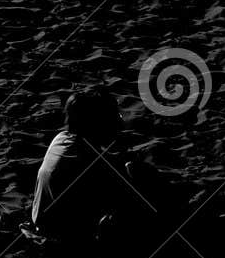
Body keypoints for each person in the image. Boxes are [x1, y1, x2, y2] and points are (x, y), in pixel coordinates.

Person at [31, 88, 187, 247]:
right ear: (98, 123)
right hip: (68, 239)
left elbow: (109, 161)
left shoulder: (62, 139)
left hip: (43, 224)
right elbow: (125, 194)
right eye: (114, 118)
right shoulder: (92, 164)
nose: (119, 123)